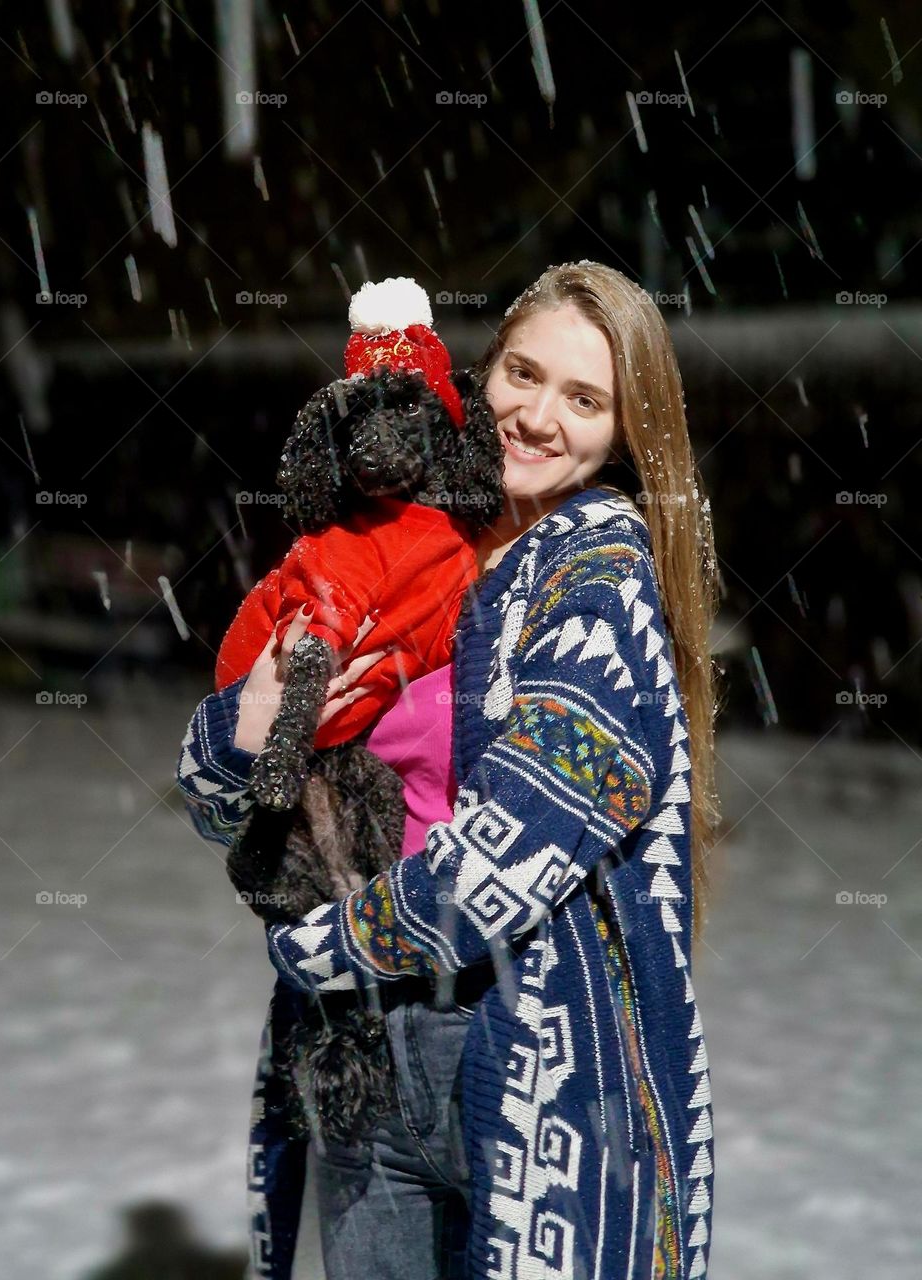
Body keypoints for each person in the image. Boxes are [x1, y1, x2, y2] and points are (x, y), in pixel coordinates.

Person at [178, 260, 722, 1280]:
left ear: (625, 433)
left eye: (585, 397)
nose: (539, 415)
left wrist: (322, 944)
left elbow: (508, 856)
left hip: (526, 1061)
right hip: (362, 1056)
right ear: (483, 371)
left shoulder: (599, 586)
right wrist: (239, 733)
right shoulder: (401, 539)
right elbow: (233, 805)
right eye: (524, 373)